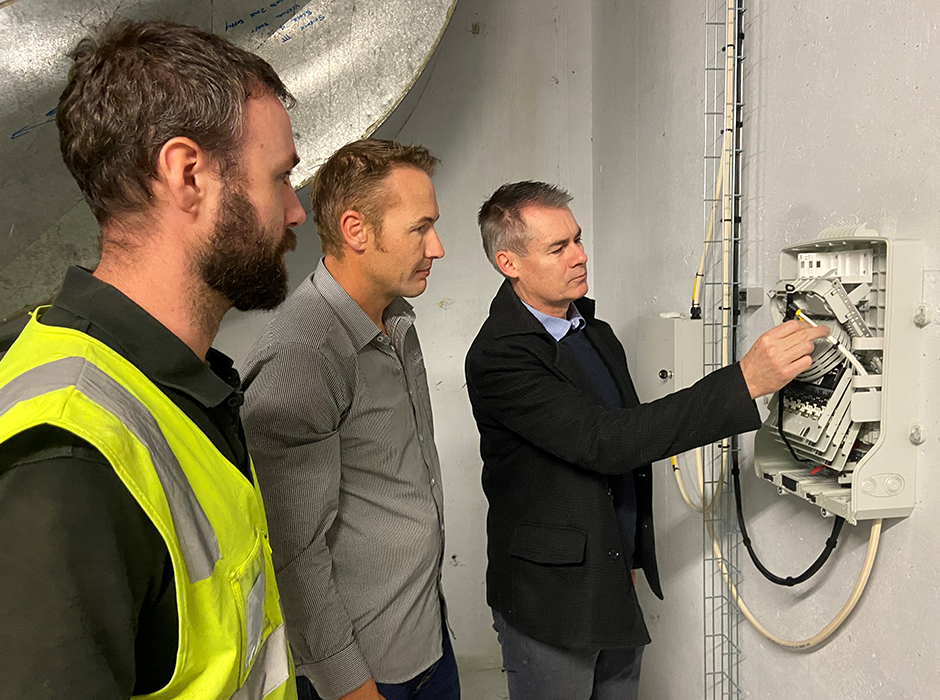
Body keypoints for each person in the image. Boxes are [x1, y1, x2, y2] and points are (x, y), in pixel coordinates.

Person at [0, 20, 307, 700]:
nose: (295, 212)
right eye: (281, 177)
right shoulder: (69, 456)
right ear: (187, 174)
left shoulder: (172, 389)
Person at [464, 181, 829, 700]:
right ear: (509, 263)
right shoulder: (500, 355)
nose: (580, 256)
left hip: (611, 580)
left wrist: (626, 554)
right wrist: (743, 381)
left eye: (577, 239)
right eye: (558, 247)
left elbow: (623, 454)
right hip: (550, 600)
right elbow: (606, 441)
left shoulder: (594, 330)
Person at [241, 138, 458, 700]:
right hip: (367, 674)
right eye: (420, 228)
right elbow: (293, 550)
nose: (437, 247)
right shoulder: (306, 349)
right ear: (357, 229)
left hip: (425, 636)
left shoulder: (396, 320)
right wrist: (350, 687)